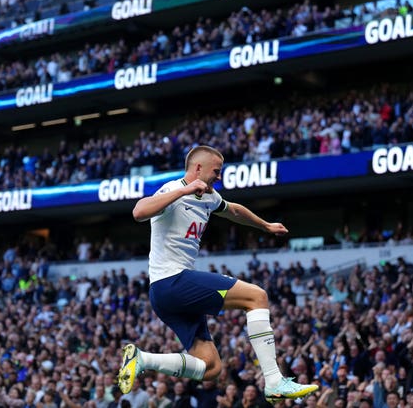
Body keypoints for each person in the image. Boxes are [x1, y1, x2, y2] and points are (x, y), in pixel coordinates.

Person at [117, 145, 319, 402]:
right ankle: (274, 380)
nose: (219, 177)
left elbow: (233, 210)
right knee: (256, 297)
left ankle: (142, 358)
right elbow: (139, 212)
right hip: (172, 281)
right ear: (198, 168)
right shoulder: (172, 189)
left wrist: (265, 225)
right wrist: (184, 190)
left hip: (167, 294)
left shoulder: (209, 196)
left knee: (211, 367)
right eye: (216, 171)